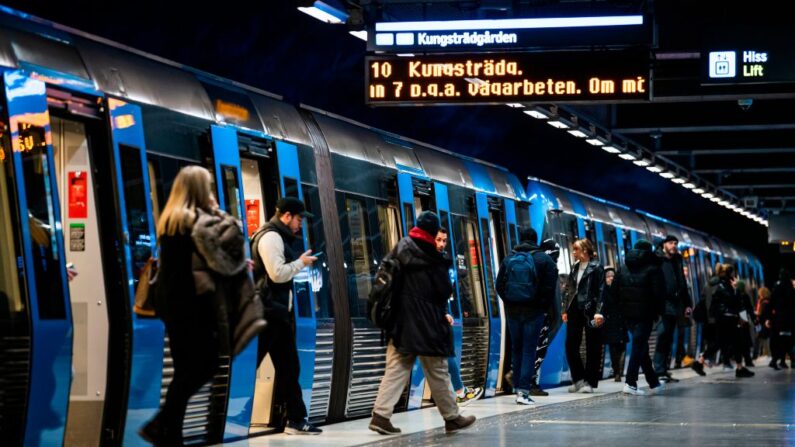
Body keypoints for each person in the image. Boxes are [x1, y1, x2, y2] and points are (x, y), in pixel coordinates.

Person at [140, 166, 259, 444]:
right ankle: (161, 424)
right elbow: (218, 259)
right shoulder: (198, 222)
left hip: (173, 305)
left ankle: (170, 434)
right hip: (195, 306)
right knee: (205, 365)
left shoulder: (172, 220)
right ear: (199, 189)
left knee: (184, 370)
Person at [369, 211, 475, 435]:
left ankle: (380, 416)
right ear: (432, 231)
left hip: (400, 322)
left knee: (397, 368)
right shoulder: (432, 255)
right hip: (427, 324)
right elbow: (444, 290)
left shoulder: (401, 247)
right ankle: (452, 416)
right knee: (437, 370)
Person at [250, 196, 321, 434]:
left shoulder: (278, 236)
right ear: (287, 216)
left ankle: (296, 419)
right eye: (299, 218)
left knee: (289, 368)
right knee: (255, 365)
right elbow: (277, 273)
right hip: (268, 314)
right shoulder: (270, 237)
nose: (301, 224)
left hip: (277, 314)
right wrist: (300, 263)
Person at [496, 228, 557, 405]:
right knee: (529, 350)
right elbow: (550, 288)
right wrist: (541, 306)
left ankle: (517, 390)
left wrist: (509, 302)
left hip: (513, 312)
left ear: (520, 239)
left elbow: (499, 285)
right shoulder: (545, 260)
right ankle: (523, 391)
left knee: (517, 349)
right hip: (534, 312)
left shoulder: (509, 259)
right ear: (535, 240)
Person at [435, 227, 484, 406]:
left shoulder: (441, 259)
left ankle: (456, 396)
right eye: (438, 240)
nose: (441, 244)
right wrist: (442, 313)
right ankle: (459, 393)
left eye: (444, 240)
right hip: (430, 318)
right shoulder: (429, 261)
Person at [612, 240, 665, 396]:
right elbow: (659, 295)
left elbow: (614, 292)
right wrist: (658, 313)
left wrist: (620, 310)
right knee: (638, 346)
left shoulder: (623, 268)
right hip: (645, 315)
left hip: (627, 315)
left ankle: (653, 382)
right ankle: (630, 382)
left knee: (641, 347)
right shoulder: (654, 269)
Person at [562, 238, 605, 394]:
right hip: (575, 310)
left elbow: (601, 291)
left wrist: (599, 311)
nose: (573, 253)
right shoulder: (575, 267)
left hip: (591, 311)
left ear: (585, 251)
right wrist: (565, 309)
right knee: (571, 344)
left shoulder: (597, 267)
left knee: (593, 345)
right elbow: (569, 289)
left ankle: (590, 382)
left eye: (576, 250)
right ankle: (579, 379)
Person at [653, 235, 692, 383]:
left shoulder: (677, 260)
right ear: (664, 244)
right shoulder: (657, 259)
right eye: (671, 243)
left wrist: (687, 304)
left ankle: (663, 369)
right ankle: (658, 370)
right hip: (663, 303)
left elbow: (682, 282)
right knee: (663, 335)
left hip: (676, 303)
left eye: (676, 243)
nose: (674, 246)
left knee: (669, 337)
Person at [712, 264, 754, 378]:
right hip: (729, 318)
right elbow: (739, 304)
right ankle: (701, 360)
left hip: (730, 317)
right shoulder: (727, 287)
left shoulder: (723, 285)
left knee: (736, 342)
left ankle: (741, 366)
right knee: (734, 341)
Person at [691, 265, 722, 376]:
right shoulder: (719, 286)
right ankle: (699, 362)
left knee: (715, 343)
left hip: (708, 321)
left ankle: (700, 362)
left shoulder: (708, 285)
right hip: (714, 320)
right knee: (718, 342)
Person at [764, 269, 795, 370]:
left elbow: (771, 303)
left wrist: (769, 318)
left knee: (782, 339)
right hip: (789, 318)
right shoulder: (790, 289)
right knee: (787, 340)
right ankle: (782, 360)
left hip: (778, 318)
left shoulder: (777, 288)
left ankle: (779, 360)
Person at [602, 267, 628, 382]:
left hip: (621, 322)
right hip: (609, 323)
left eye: (612, 276)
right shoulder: (602, 291)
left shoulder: (621, 289)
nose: (610, 278)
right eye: (608, 276)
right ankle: (617, 371)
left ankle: (620, 370)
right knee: (613, 348)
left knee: (622, 347)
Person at [736, 280, 757, 367]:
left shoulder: (735, 296)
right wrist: (754, 319)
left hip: (736, 320)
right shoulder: (745, 296)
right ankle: (748, 360)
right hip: (744, 319)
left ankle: (740, 362)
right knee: (746, 341)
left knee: (739, 342)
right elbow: (750, 309)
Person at [753, 286, 771, 359]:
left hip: (762, 324)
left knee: (758, 339)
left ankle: (755, 355)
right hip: (765, 323)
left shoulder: (764, 303)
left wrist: (756, 313)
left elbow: (762, 313)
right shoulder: (767, 301)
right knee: (762, 339)